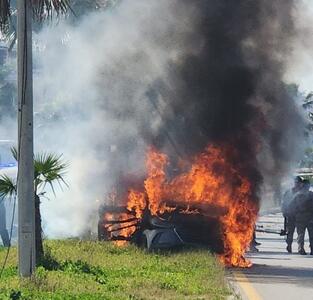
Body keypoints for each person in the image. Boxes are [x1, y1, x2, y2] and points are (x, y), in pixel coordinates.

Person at [290, 179, 313, 255]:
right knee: (311, 234)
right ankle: (312, 249)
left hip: (300, 217)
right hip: (310, 217)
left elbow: (292, 206)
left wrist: (294, 215)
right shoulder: (311, 194)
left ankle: (301, 249)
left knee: (300, 234)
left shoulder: (297, 195)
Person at [281, 176, 303, 253]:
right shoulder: (288, 192)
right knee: (290, 231)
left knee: (300, 232)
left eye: (298, 183)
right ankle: (289, 245)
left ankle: (301, 248)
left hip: (300, 215)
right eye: (295, 182)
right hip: (290, 214)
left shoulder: (303, 192)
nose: (297, 184)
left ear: (301, 184)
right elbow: (284, 203)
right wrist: (284, 212)